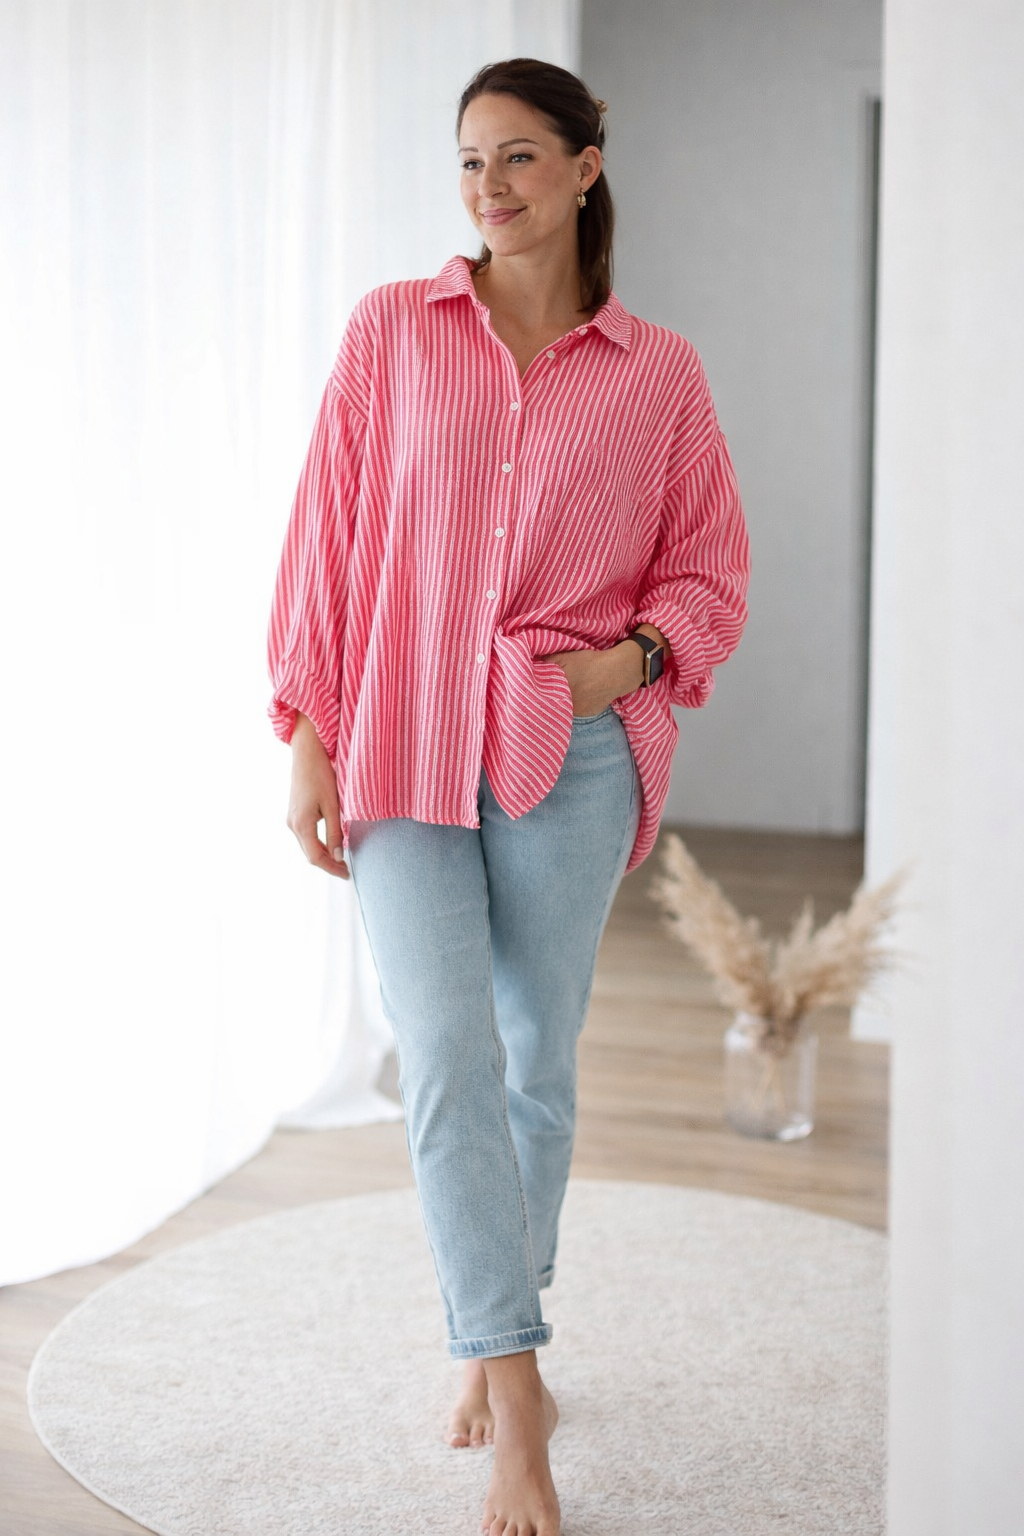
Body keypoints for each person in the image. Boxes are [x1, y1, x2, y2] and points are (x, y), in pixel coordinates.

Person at [267, 56, 749, 1536]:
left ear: (588, 166)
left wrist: (625, 666)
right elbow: (329, 535)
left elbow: (710, 569)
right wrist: (307, 730)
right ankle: (517, 1388)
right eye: (472, 161)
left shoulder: (659, 373)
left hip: (569, 744)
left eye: (522, 157)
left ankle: (496, 1319)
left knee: (537, 1059)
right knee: (447, 1055)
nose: (492, 188)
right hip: (402, 733)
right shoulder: (391, 331)